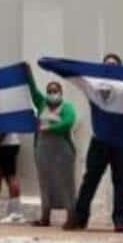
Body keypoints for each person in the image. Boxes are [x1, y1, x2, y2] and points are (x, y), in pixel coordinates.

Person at [64, 53, 123, 233]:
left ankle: (120, 220)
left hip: (121, 141)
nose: (110, 67)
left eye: (114, 65)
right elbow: (77, 76)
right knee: (90, 180)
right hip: (99, 141)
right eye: (107, 64)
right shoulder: (94, 87)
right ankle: (79, 218)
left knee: (121, 182)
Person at [28, 75, 77, 227]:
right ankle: (45, 216)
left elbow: (68, 122)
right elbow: (33, 90)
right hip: (43, 151)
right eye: (49, 91)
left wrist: (50, 128)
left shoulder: (67, 107)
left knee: (66, 183)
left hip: (63, 151)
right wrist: (28, 74)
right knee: (45, 183)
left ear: (61, 93)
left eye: (55, 91)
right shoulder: (42, 104)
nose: (52, 93)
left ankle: (71, 217)